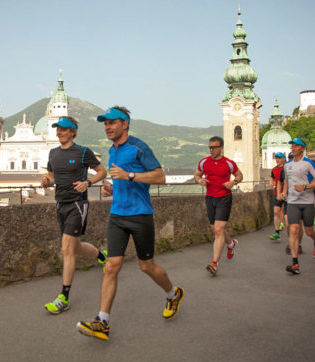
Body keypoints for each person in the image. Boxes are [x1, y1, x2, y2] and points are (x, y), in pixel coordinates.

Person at [76, 106, 184, 341]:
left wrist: (130, 176)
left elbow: (160, 177)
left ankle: (173, 294)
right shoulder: (111, 150)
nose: (107, 127)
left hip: (140, 215)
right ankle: (102, 321)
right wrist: (112, 187)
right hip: (117, 215)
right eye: (105, 123)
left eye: (112, 122)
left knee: (147, 266)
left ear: (125, 124)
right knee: (111, 266)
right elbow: (121, 179)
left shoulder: (139, 147)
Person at [42, 116, 108, 314]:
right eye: (58, 129)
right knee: (75, 246)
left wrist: (88, 183)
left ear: (73, 132)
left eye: (64, 129)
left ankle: (64, 297)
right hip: (60, 203)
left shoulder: (82, 152)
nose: (59, 132)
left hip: (77, 205)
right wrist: (46, 181)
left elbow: (102, 171)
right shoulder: (53, 153)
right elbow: (52, 176)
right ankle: (102, 257)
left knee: (67, 249)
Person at [194, 136, 243, 275]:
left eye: (214, 147)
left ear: (221, 148)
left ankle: (214, 263)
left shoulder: (229, 163)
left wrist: (233, 182)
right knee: (215, 229)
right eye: (210, 147)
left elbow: (240, 175)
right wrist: (200, 181)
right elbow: (197, 175)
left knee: (218, 229)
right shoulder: (204, 162)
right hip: (210, 198)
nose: (211, 150)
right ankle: (231, 244)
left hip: (224, 198)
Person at [280, 137, 315, 274]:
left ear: (302, 149)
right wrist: (283, 192)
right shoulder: (287, 165)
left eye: (296, 146)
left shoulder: (309, 164)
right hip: (293, 202)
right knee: (293, 229)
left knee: (308, 231)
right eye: (292, 146)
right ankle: (295, 263)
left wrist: (305, 187)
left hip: (307, 202)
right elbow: (287, 181)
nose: (293, 148)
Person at [277, 153, 303, 255]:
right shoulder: (286, 169)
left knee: (299, 225)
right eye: (290, 158)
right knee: (288, 223)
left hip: (301, 199)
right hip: (289, 200)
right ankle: (291, 242)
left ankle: (298, 243)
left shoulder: (304, 167)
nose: (292, 160)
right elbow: (280, 181)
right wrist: (280, 193)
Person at [270, 153, 286, 241]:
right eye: (276, 158)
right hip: (277, 192)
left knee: (286, 213)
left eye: (279, 158)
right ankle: (277, 232)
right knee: (276, 212)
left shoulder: (287, 168)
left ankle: (292, 233)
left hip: (287, 193)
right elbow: (272, 177)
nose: (277, 160)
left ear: (283, 159)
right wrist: (271, 182)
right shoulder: (274, 169)